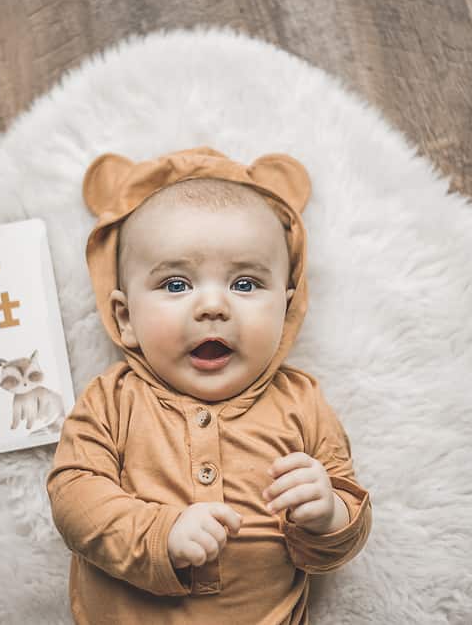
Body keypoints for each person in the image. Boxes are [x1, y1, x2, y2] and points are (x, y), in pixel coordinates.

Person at [46, 146, 373, 624]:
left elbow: (340, 525)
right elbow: (74, 497)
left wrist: (330, 516)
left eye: (244, 284)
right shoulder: (112, 402)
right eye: (176, 284)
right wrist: (161, 532)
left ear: (284, 311)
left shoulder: (300, 402)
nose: (213, 306)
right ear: (125, 317)